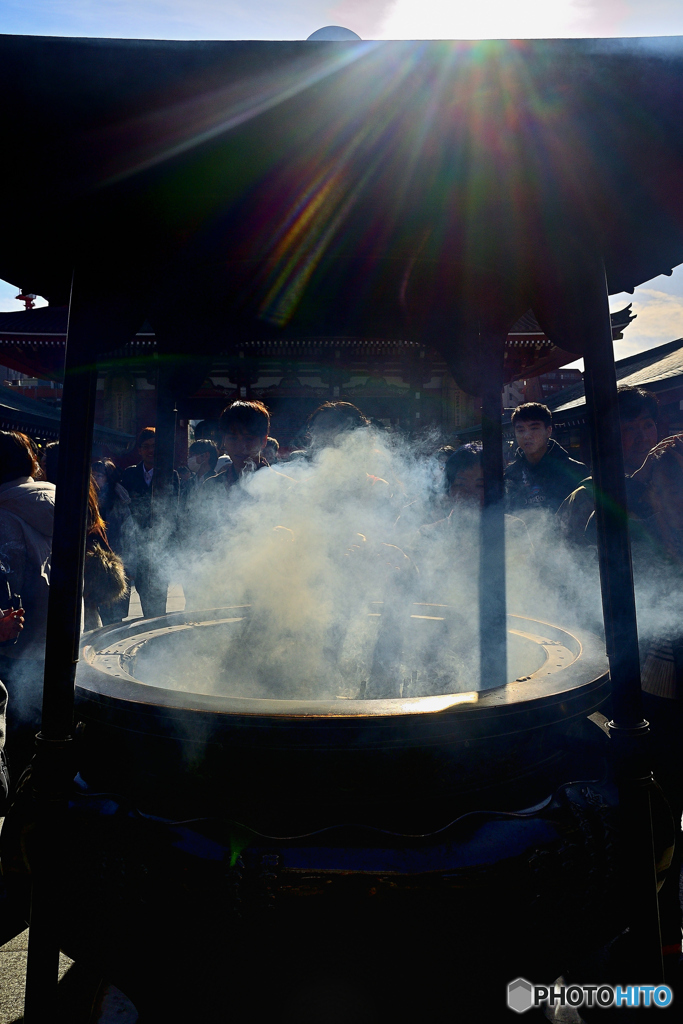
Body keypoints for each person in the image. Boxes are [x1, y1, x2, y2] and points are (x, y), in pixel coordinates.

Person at [557, 387, 681, 545]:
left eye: (648, 425)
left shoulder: (670, 482)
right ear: (608, 437)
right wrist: (636, 483)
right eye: (630, 428)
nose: (643, 438)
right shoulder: (588, 495)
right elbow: (580, 559)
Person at [0, 431, 55, 773]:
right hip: (58, 635)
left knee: (18, 737)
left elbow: (7, 581)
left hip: (17, 644)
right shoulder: (54, 500)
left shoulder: (6, 512)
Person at [121, 427, 170, 619]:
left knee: (159, 593)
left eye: (155, 446)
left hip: (160, 543)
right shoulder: (130, 474)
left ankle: (158, 629)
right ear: (140, 450)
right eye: (147, 446)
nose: (151, 450)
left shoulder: (168, 473)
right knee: (141, 587)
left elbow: (173, 509)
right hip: (137, 543)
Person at [505, 402, 587, 517]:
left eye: (534, 428)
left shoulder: (575, 471)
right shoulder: (510, 475)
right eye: (521, 430)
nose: (527, 436)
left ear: (548, 431)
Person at [205, 401, 271, 497]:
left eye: (249, 439)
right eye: (233, 438)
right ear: (224, 440)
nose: (240, 447)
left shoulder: (285, 485)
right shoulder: (211, 486)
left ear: (263, 441)